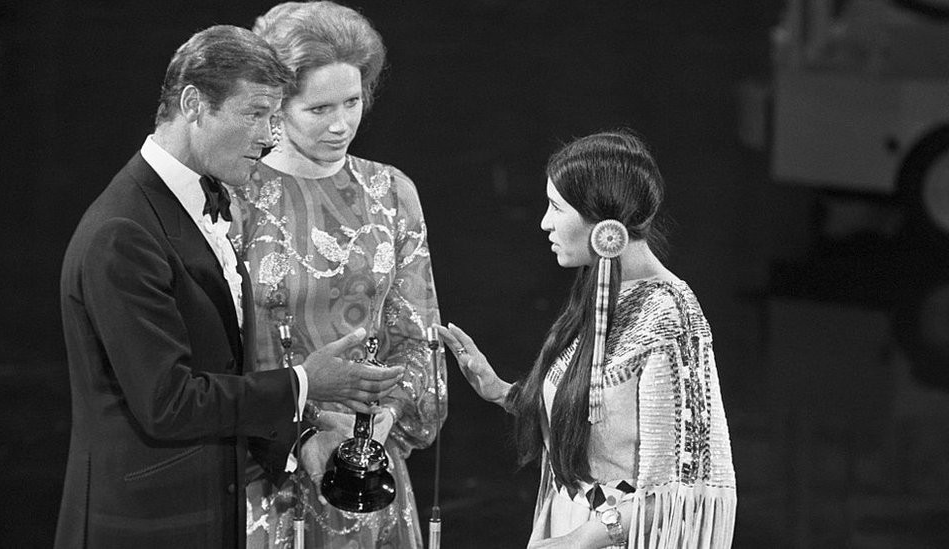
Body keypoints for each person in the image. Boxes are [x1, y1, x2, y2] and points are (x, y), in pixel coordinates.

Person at [55, 25, 404, 549]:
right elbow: (169, 402)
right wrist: (306, 383)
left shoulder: (201, 201)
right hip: (144, 525)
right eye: (256, 114)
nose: (269, 135)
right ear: (194, 104)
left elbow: (219, 370)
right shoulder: (122, 232)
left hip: (204, 515)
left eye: (273, 115)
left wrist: (300, 441)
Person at [438, 130, 737, 548]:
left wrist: (578, 540)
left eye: (557, 207)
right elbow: (591, 417)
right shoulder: (601, 291)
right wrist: (502, 392)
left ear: (605, 226)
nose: (544, 222)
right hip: (574, 523)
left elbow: (680, 485)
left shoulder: (670, 316)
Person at [229, 2, 447, 548]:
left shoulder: (391, 191)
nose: (340, 123)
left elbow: (419, 336)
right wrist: (301, 432)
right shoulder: (236, 195)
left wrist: (383, 422)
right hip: (264, 471)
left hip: (367, 471)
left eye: (352, 102)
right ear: (276, 107)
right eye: (319, 107)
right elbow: (218, 349)